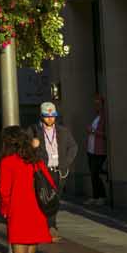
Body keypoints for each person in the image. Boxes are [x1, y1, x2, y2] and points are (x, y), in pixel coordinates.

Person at [0, 125, 57, 253]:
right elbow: (49, 182)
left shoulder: (7, 162)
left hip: (19, 212)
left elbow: (4, 192)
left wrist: (5, 212)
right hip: (37, 211)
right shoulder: (35, 160)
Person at [36, 102, 78, 238]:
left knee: (55, 198)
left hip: (59, 171)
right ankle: (47, 225)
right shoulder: (34, 130)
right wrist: (32, 145)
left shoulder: (63, 131)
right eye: (47, 116)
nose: (50, 118)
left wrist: (65, 162)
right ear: (42, 116)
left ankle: (51, 224)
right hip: (43, 170)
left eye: (52, 116)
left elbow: (73, 147)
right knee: (43, 198)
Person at [85, 95, 109, 205]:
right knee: (93, 174)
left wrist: (93, 131)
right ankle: (95, 197)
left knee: (97, 173)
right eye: (95, 104)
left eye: (98, 104)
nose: (96, 106)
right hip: (91, 150)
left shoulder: (104, 118)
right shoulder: (96, 117)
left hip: (99, 151)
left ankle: (102, 197)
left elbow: (106, 134)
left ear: (103, 105)